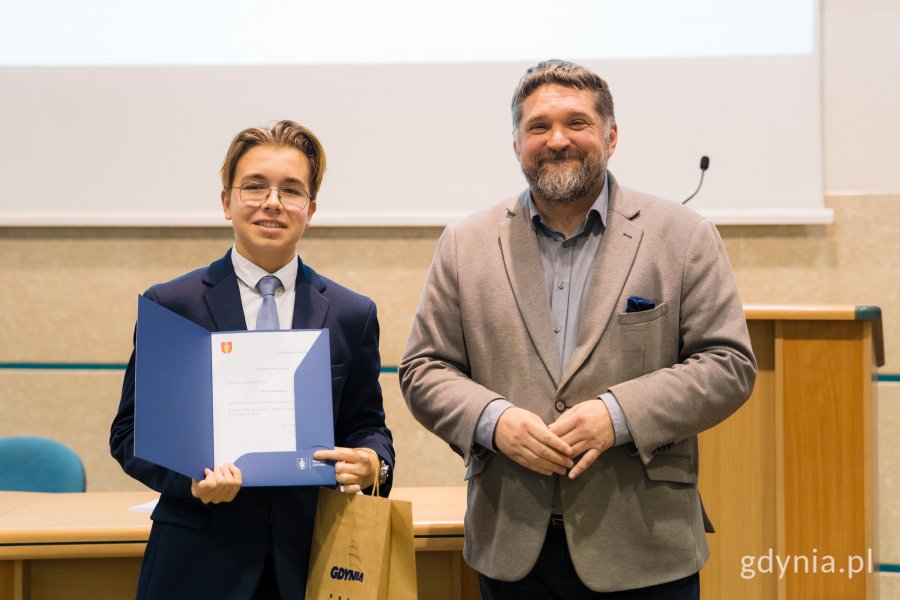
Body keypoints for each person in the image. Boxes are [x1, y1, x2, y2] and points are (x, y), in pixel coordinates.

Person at [399, 60, 757, 599]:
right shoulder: (464, 243)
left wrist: (617, 415)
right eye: (538, 126)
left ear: (611, 136)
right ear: (516, 142)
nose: (557, 139)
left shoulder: (683, 237)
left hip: (645, 548)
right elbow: (424, 369)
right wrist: (493, 421)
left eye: (577, 123)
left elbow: (728, 365)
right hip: (512, 548)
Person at [111, 120, 394, 600]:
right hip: (198, 559)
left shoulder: (351, 313)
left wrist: (373, 464)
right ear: (226, 202)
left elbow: (367, 426)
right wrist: (193, 482)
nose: (272, 202)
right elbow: (130, 434)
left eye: (291, 190)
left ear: (311, 209)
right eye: (255, 187)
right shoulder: (172, 304)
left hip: (310, 559)